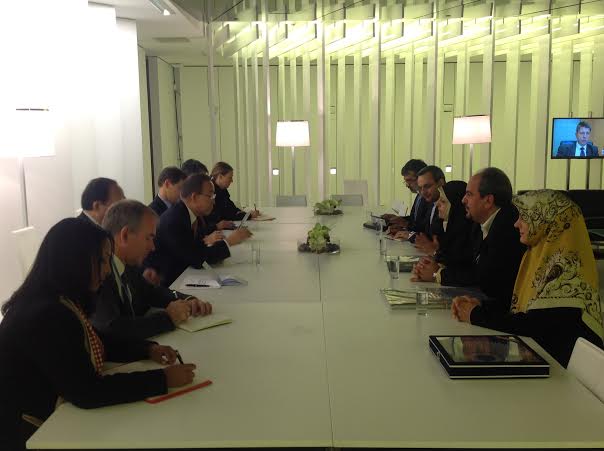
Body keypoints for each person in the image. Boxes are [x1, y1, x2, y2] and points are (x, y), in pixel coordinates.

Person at [0, 218, 196, 450]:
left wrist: (147, 349)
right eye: (102, 260)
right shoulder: (47, 314)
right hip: (29, 433)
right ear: (76, 261)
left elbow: (93, 338)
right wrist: (162, 379)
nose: (107, 270)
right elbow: (87, 391)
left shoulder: (56, 298)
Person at [452, 190, 604, 367]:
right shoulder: (539, 257)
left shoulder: (568, 268)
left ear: (546, 221)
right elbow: (525, 311)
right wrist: (481, 306)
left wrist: (476, 315)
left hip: (563, 374)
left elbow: (535, 326)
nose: (516, 224)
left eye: (524, 217)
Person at [91, 200, 212, 340]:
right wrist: (168, 318)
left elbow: (150, 292)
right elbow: (112, 327)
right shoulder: (99, 271)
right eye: (149, 238)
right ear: (125, 235)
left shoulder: (127, 263)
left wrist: (186, 300)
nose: (153, 247)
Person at [412, 168, 525, 312]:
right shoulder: (480, 224)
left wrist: (437, 274)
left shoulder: (507, 227)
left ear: (488, 201)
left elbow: (483, 277)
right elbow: (468, 264)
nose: (463, 200)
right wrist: (436, 266)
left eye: (469, 194)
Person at [152, 173, 252, 286]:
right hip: (170, 283)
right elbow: (197, 259)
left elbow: (196, 247)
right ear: (194, 197)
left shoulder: (186, 213)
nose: (214, 202)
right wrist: (229, 242)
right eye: (210, 196)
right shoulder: (174, 220)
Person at [411, 181, 474, 270]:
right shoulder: (447, 225)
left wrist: (435, 254)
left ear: (456, 205)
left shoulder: (468, 232)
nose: (437, 204)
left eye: (443, 201)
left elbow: (460, 266)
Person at [394, 165, 445, 245]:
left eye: (427, 186)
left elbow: (438, 241)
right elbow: (426, 233)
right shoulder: (432, 203)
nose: (423, 192)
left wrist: (410, 235)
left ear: (440, 183)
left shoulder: (448, 206)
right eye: (420, 188)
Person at [382, 159, 429, 234]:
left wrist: (406, 224)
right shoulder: (419, 195)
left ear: (421, 178)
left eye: (409, 180)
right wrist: (398, 218)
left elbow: (425, 227)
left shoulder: (429, 198)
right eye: (406, 181)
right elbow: (415, 219)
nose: (407, 185)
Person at [207, 162, 260, 226]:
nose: (232, 181)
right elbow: (227, 215)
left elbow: (231, 208)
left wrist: (245, 213)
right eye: (230, 177)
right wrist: (249, 215)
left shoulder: (222, 189)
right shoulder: (212, 191)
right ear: (220, 177)